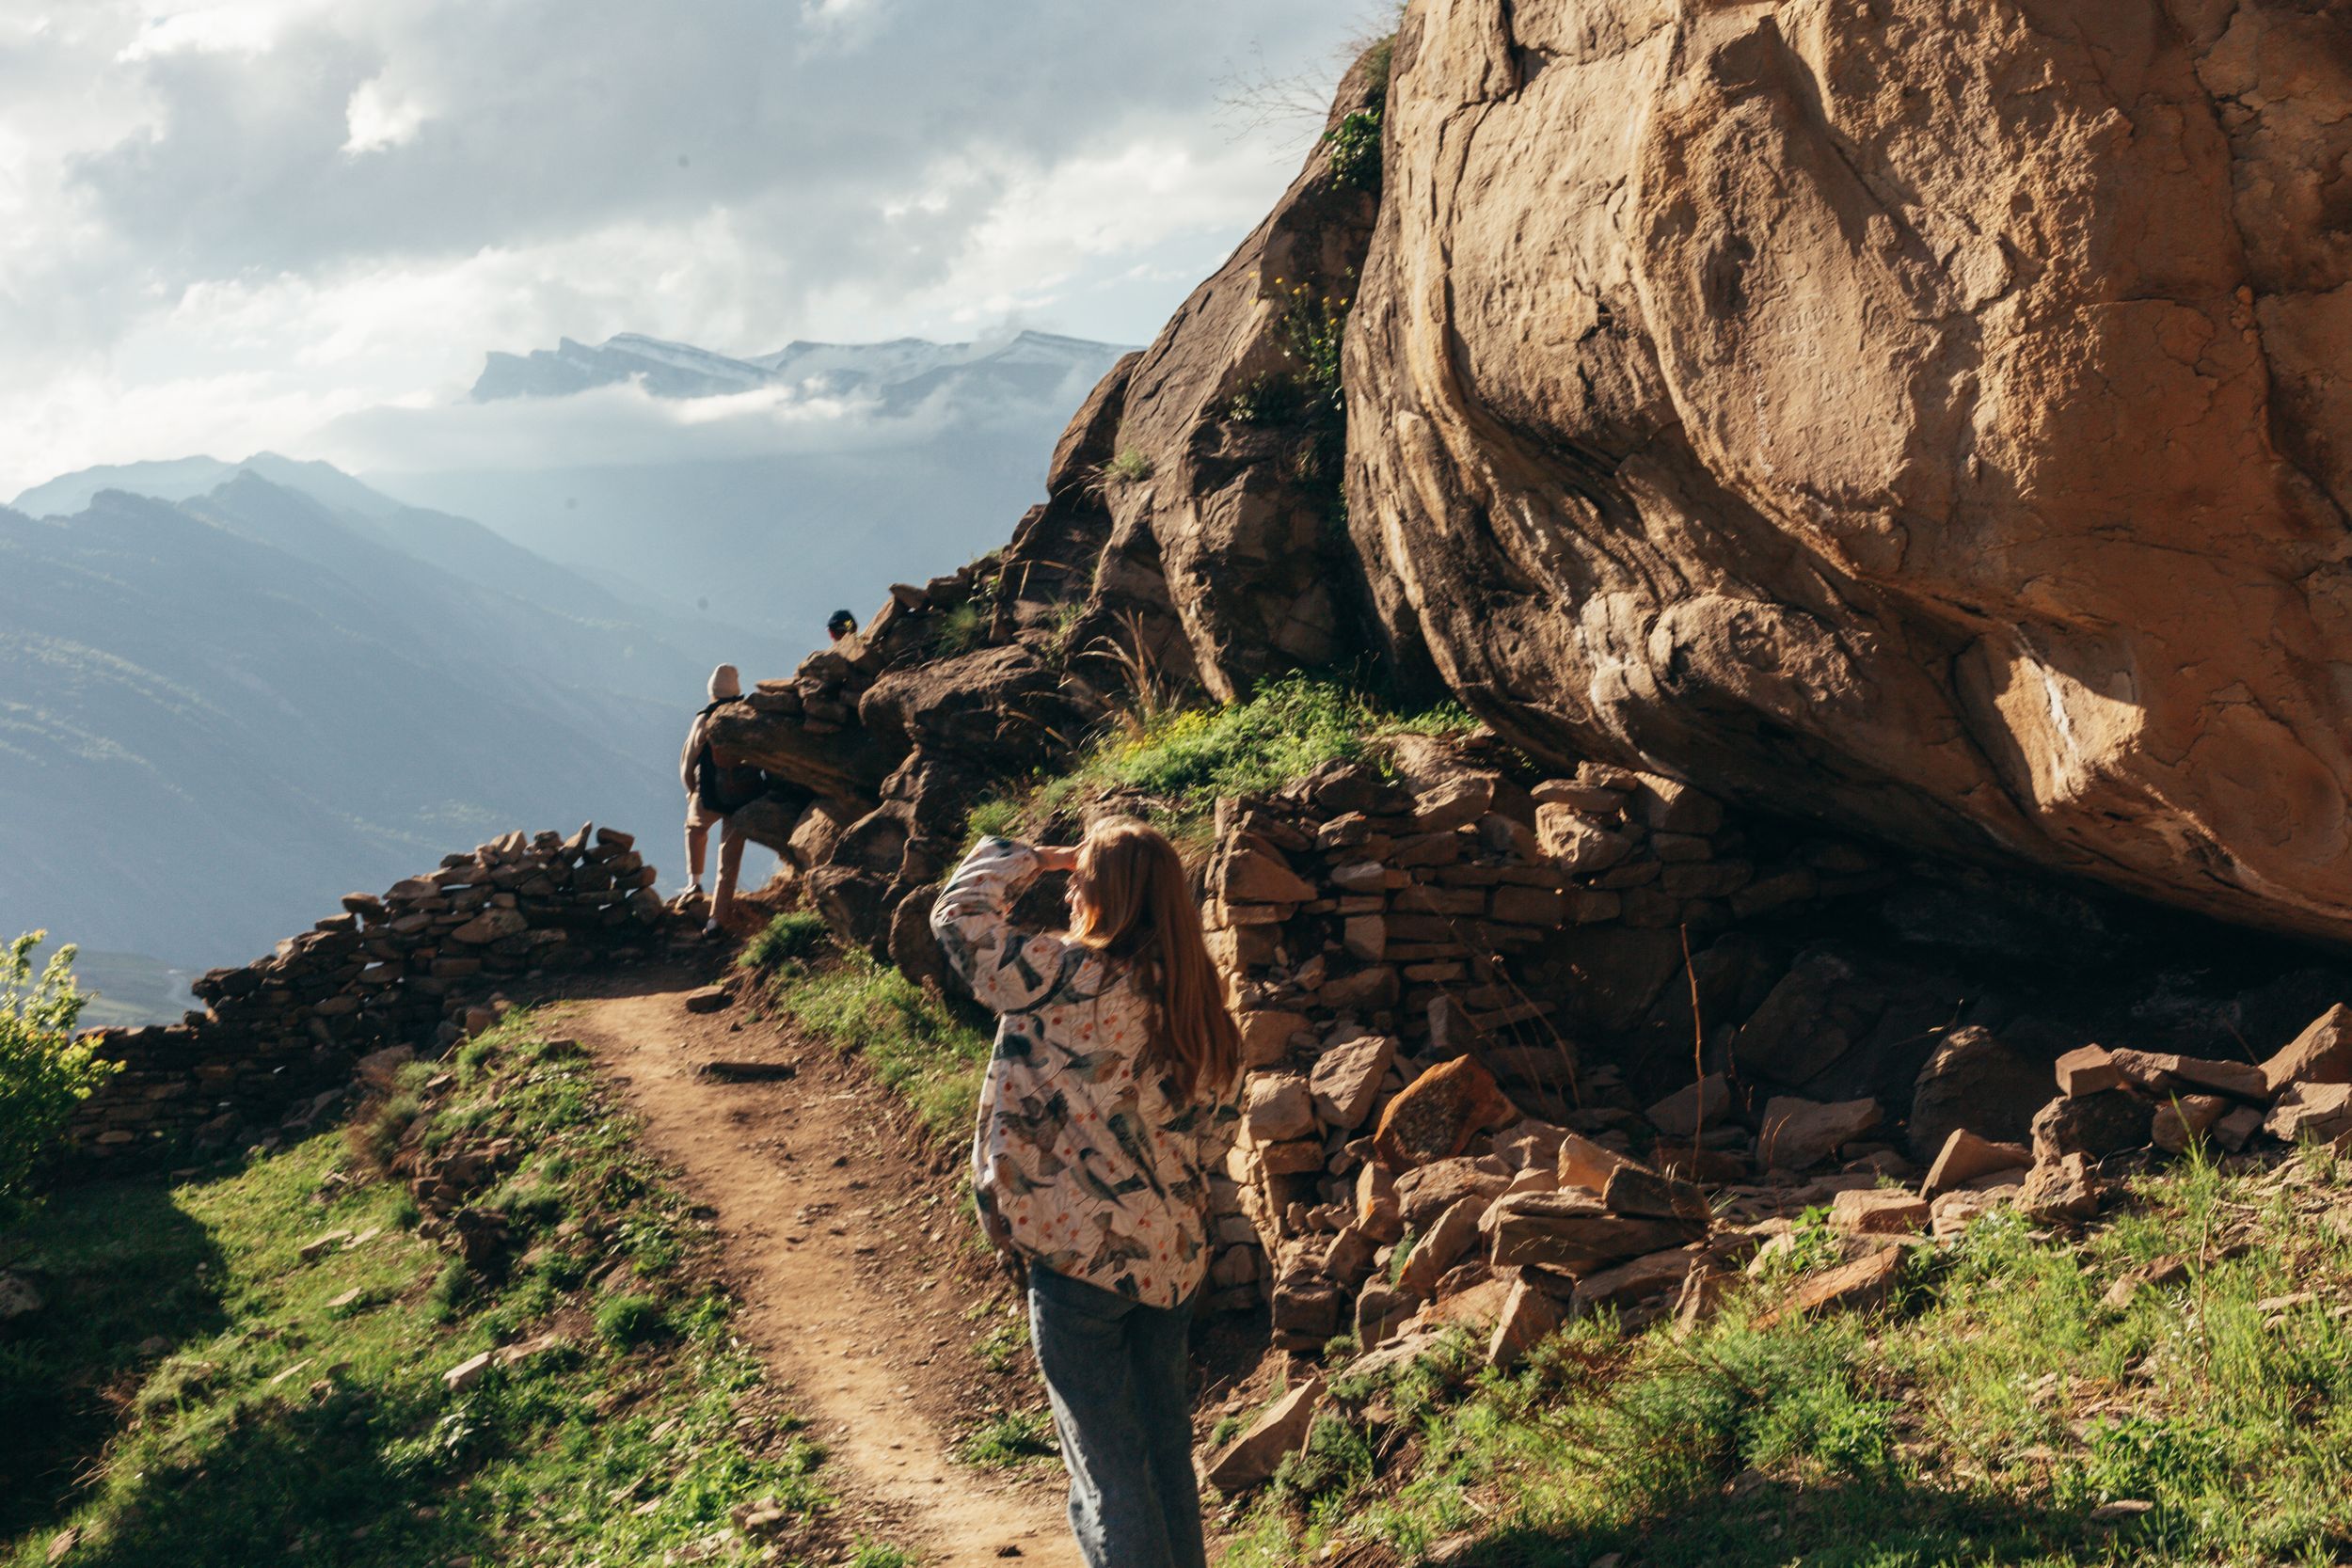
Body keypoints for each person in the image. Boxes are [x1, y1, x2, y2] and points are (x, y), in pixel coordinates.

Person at [930, 821, 1241, 1568]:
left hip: (1078, 1265)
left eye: (1080, 880)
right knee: (1165, 1451)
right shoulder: (1199, 1001)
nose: (1067, 890)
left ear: (1105, 894)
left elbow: (957, 918)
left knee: (1107, 1471)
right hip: (1170, 1262)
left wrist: (1032, 856)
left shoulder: (1058, 976)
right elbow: (1212, 1142)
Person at [677, 663, 764, 936]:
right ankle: (716, 920)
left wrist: (692, 792)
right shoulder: (749, 714)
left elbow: (687, 763)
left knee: (694, 828)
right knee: (729, 859)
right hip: (743, 796)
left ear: (712, 690)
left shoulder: (705, 718)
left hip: (711, 794)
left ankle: (694, 884)